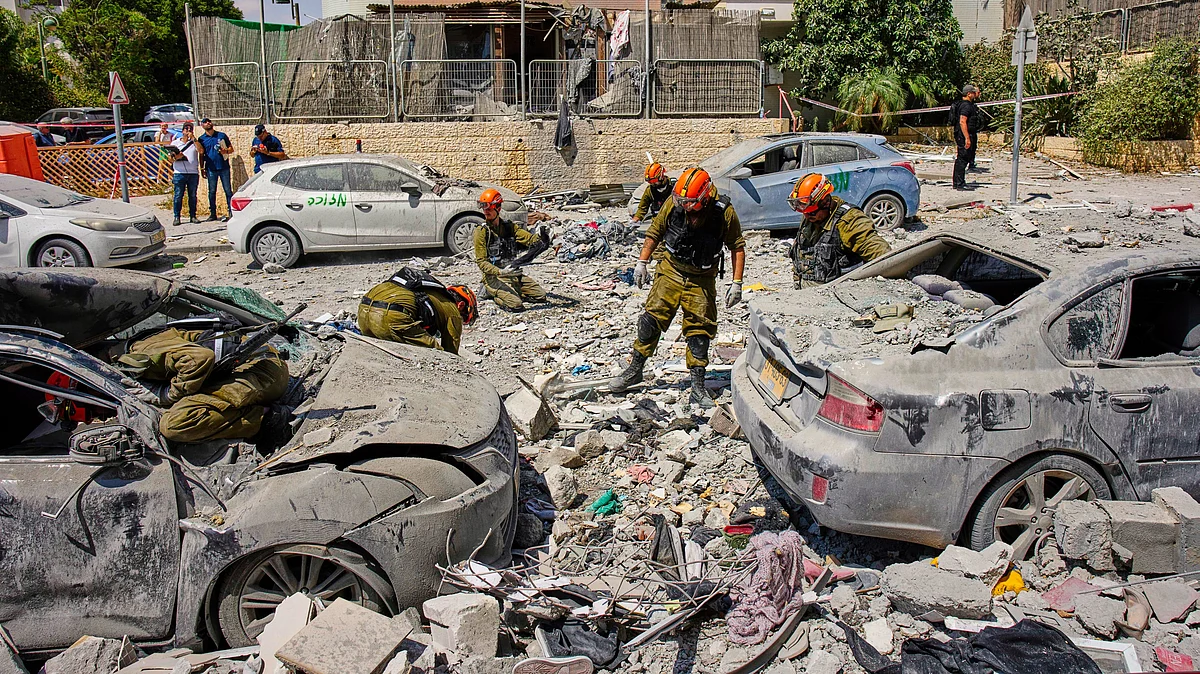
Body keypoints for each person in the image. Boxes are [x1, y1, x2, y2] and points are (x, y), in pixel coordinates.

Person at [608, 167, 746, 408]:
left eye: (690, 202)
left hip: (702, 277)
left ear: (704, 197)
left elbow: (737, 246)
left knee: (699, 330)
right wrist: (642, 262)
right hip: (670, 269)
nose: (685, 205)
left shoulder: (724, 212)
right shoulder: (674, 204)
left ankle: (698, 387)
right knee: (651, 320)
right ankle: (635, 369)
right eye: (682, 200)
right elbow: (655, 232)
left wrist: (737, 283)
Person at [115, 326, 289, 445]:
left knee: (174, 424)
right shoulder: (150, 343)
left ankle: (270, 419)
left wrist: (168, 394)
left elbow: (201, 357)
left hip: (262, 373)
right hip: (263, 368)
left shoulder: (140, 353)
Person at [787, 173, 890, 288]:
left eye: (811, 212)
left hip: (838, 296)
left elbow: (884, 257)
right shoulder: (810, 217)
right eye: (804, 213)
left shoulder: (850, 221)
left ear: (826, 203)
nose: (806, 217)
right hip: (806, 296)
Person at [358, 268, 478, 354]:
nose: (460, 319)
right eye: (464, 316)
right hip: (390, 316)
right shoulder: (453, 310)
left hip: (363, 310)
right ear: (461, 305)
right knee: (437, 354)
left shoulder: (431, 292)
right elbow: (450, 353)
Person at [473, 188, 550, 311]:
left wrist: (543, 236)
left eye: (489, 208)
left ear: (498, 208)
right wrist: (500, 272)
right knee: (515, 305)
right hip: (495, 277)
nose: (485, 211)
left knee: (540, 296)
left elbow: (529, 239)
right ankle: (490, 291)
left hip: (513, 274)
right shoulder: (481, 232)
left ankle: (513, 290)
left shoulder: (509, 227)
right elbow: (481, 262)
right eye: (484, 208)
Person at [197, 117, 235, 222]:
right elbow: (201, 154)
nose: (208, 123)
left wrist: (225, 151)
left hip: (223, 167)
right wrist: (202, 167)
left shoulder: (221, 135)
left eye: (209, 121)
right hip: (211, 168)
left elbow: (231, 149)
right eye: (205, 122)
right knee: (212, 191)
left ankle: (231, 212)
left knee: (228, 190)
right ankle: (213, 213)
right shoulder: (202, 139)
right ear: (202, 126)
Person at [168, 122, 201, 226]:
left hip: (193, 173)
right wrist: (176, 157)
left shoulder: (195, 142)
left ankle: (193, 216)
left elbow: (201, 151)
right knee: (178, 195)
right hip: (179, 172)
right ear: (182, 131)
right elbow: (169, 158)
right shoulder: (176, 142)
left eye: (190, 129)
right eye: (186, 129)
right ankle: (177, 216)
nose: (188, 131)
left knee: (192, 195)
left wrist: (194, 139)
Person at [952, 84, 982, 190]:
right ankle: (959, 184)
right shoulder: (966, 106)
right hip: (963, 134)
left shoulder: (967, 105)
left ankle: (957, 182)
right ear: (969, 94)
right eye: (973, 92)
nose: (975, 94)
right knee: (963, 158)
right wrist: (967, 138)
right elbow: (962, 121)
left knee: (962, 158)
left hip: (964, 134)